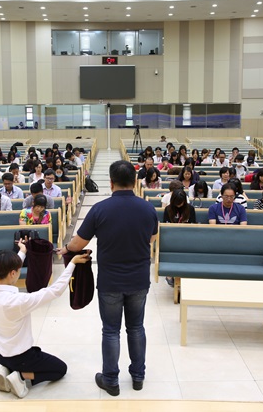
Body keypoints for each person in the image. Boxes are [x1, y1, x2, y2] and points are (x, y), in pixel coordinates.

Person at [59, 160, 157, 396]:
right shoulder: (148, 209)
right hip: (138, 280)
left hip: (111, 281)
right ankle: (138, 376)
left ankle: (111, 380)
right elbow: (151, 239)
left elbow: (78, 243)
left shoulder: (100, 209)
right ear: (135, 181)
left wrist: (66, 248)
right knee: (136, 327)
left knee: (111, 331)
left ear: (111, 182)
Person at [0, 242, 90, 398]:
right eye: (18, 270)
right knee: (60, 369)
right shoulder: (17, 301)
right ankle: (20, 376)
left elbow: (10, 269)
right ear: (13, 273)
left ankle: (6, 369)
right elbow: (54, 291)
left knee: (26, 359)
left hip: (0, 354)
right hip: (20, 358)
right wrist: (72, 264)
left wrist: (23, 251)